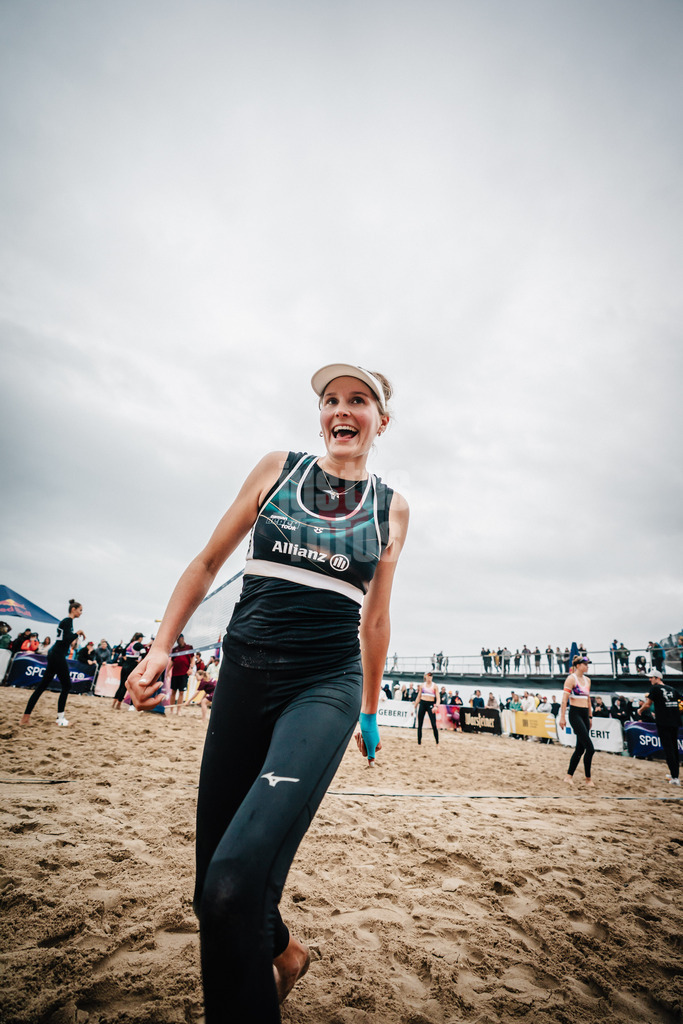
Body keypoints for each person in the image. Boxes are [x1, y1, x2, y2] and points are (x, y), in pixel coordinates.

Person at [126, 363, 408, 1024]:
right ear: (321, 416)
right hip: (245, 676)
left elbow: (374, 618)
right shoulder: (276, 470)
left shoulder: (389, 506)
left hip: (323, 687)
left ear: (380, 421)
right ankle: (284, 954)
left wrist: (367, 707)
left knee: (231, 889)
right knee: (210, 894)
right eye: (331, 400)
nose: (342, 410)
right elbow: (205, 563)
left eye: (358, 401)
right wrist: (162, 645)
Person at [20, 600, 84, 726]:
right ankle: (60, 719)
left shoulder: (66, 622)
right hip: (58, 655)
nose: (81, 613)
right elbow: (66, 640)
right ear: (73, 609)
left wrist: (75, 635)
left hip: (55, 654)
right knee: (67, 685)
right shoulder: (67, 621)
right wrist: (77, 633)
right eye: (80, 610)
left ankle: (25, 717)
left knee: (43, 685)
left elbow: (65, 639)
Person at [639, 670, 682, 785]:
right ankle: (675, 774)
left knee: (669, 750)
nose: (650, 680)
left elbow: (648, 704)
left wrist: (640, 710)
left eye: (651, 678)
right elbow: (681, 701)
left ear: (658, 678)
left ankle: (675, 778)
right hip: (675, 722)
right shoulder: (672, 689)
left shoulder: (655, 689)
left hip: (664, 722)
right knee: (674, 748)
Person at [559, 655, 595, 787]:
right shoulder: (571, 679)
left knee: (580, 749)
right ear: (578, 665)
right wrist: (562, 717)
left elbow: (588, 699)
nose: (587, 666)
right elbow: (564, 700)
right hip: (575, 714)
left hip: (585, 714)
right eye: (585, 664)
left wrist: (590, 717)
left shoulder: (588, 680)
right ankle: (588, 779)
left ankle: (569, 776)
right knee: (590, 749)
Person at [112, 633, 147, 710]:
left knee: (121, 685)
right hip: (132, 666)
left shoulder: (130, 644)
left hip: (125, 665)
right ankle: (118, 704)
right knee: (125, 686)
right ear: (140, 638)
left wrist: (126, 658)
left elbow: (123, 652)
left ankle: (114, 703)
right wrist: (140, 661)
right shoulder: (139, 645)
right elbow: (144, 653)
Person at [169, 634, 194, 714]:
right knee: (173, 691)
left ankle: (178, 710)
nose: (177, 641)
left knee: (181, 692)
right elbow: (172, 661)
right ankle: (171, 710)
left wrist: (191, 668)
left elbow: (192, 659)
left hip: (184, 673)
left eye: (178, 639)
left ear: (182, 638)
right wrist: (167, 671)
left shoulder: (189, 647)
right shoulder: (175, 649)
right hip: (175, 673)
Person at [414, 671, 440, 745]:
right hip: (422, 703)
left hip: (430, 704)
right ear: (425, 676)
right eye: (428, 676)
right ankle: (419, 743)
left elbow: (438, 698)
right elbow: (418, 697)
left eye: (431, 676)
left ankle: (437, 742)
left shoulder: (435, 686)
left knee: (434, 724)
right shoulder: (422, 685)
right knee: (419, 724)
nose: (429, 677)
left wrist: (436, 707)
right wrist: (414, 707)